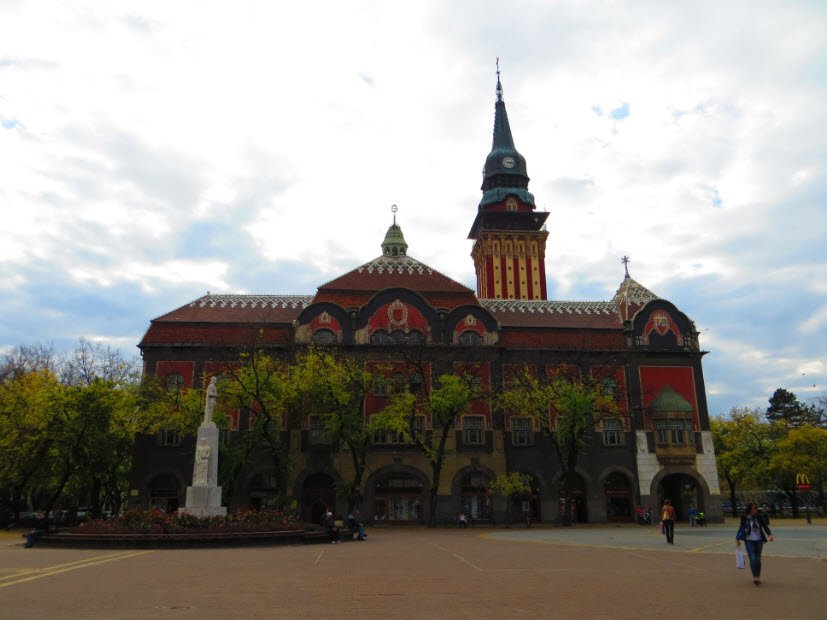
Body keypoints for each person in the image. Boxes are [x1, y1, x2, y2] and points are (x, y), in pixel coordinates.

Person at [736, 502, 774, 585]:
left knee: (758, 558)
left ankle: (758, 576)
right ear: (750, 509)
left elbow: (765, 526)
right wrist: (737, 539)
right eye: (754, 508)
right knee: (753, 557)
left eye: (756, 507)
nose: (756, 509)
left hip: (759, 540)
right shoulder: (745, 517)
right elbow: (741, 528)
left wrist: (769, 535)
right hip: (749, 540)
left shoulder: (759, 517)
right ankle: (755, 577)